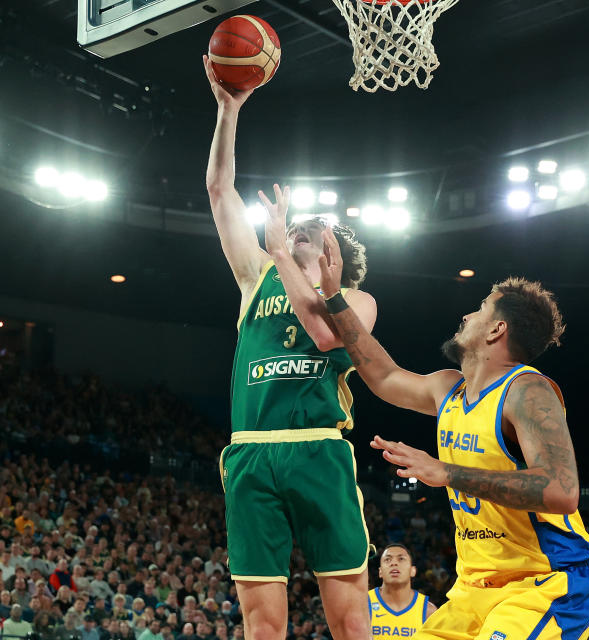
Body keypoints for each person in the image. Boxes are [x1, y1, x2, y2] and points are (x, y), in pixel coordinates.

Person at [261, 214, 589, 640]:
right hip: (472, 593)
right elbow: (382, 376)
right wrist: (334, 295)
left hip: (545, 586)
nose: (466, 314)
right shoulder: (448, 390)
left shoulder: (526, 390)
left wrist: (447, 473)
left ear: (497, 329)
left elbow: (562, 492)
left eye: (479, 309)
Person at [202, 56, 377, 640]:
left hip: (318, 450)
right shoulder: (256, 276)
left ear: (337, 255)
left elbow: (329, 335)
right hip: (251, 450)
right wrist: (229, 110)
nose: (300, 227)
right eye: (297, 225)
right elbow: (219, 189)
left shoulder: (359, 298)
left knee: (350, 620)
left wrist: (283, 251)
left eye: (314, 229)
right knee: (262, 625)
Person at [368, 544, 436, 638]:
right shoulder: (363, 604)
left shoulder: (429, 611)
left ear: (413, 571)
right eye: (387, 559)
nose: (394, 563)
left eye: (401, 559)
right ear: (380, 572)